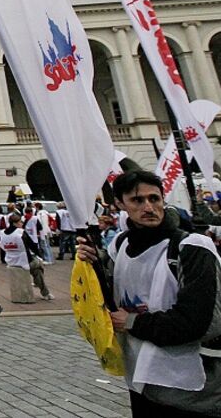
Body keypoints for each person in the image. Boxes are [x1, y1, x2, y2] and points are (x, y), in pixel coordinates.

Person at [78, 171, 221, 416]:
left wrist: (132, 322)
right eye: (137, 200)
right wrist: (93, 263)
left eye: (154, 198)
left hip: (192, 390)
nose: (148, 207)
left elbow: (197, 323)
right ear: (120, 204)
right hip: (142, 380)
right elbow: (108, 299)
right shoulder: (120, 245)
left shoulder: (192, 248)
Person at [0, 213, 53, 300]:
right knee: (38, 266)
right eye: (20, 222)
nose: (22, 223)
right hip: (25, 261)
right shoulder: (20, 233)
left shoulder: (2, 233)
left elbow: (1, 246)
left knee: (37, 268)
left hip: (10, 260)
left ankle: (39, 285)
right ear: (15, 223)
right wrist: (39, 255)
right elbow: (32, 246)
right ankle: (44, 292)